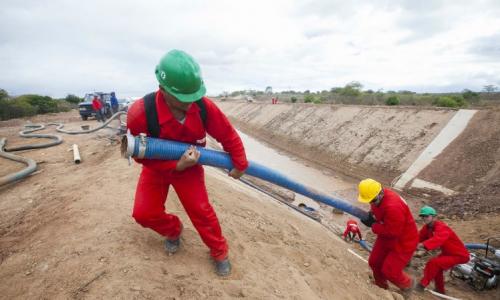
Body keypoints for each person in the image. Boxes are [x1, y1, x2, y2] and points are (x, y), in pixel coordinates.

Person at [127, 49, 248, 277]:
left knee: (202, 211)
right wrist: (174, 166)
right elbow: (139, 154)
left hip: (190, 170)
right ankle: (173, 230)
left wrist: (240, 163)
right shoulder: (140, 113)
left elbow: (227, 134)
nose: (191, 102)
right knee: (144, 214)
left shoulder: (202, 106)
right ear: (163, 89)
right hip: (157, 168)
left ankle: (219, 252)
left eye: (194, 96)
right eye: (184, 98)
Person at [358, 178, 418, 291]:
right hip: (387, 235)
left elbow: (393, 231)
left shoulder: (393, 207)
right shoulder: (377, 198)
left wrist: (373, 225)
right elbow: (381, 214)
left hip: (404, 240)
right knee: (374, 262)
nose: (371, 203)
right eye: (369, 201)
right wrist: (372, 216)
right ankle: (381, 287)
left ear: (380, 193)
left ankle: (408, 285)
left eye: (373, 200)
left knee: (390, 271)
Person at [415, 206, 469, 294]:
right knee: (437, 268)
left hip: (459, 255)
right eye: (423, 216)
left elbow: (438, 239)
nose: (424, 218)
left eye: (427, 216)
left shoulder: (442, 227)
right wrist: (409, 243)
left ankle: (421, 286)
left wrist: (422, 245)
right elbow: (418, 237)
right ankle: (440, 290)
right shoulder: (427, 228)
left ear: (434, 217)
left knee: (433, 263)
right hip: (447, 253)